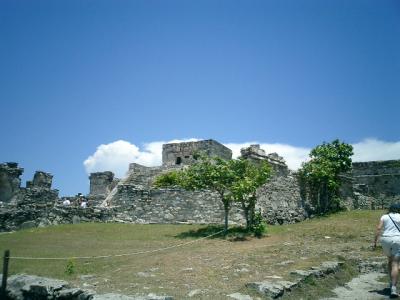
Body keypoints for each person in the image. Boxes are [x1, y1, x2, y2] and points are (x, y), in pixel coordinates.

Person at [374, 203, 400, 298]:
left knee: (390, 260)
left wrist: (375, 241)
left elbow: (379, 228)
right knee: (395, 263)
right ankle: (393, 287)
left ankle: (390, 281)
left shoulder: (384, 216)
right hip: (397, 240)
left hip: (385, 240)